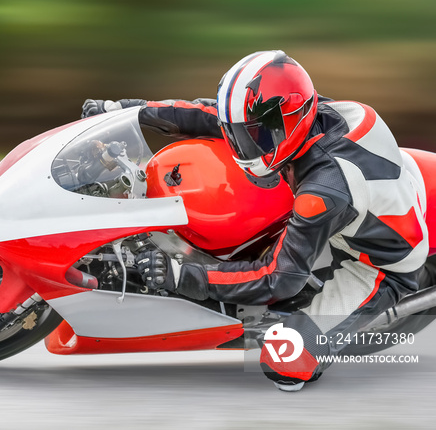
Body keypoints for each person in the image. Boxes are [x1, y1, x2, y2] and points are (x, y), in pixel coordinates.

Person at [81, 50, 429, 391]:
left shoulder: (324, 191)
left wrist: (182, 275)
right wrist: (127, 113)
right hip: (373, 191)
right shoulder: (302, 112)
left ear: (287, 122)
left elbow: (278, 278)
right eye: (239, 132)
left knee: (285, 360)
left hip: (374, 263)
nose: (242, 144)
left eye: (254, 135)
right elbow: (209, 113)